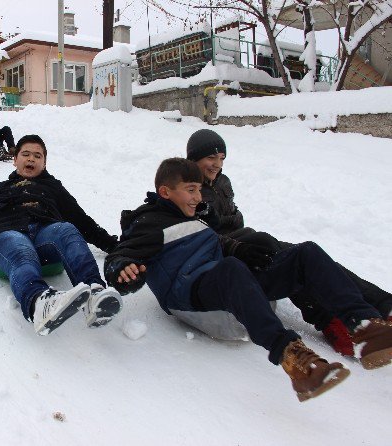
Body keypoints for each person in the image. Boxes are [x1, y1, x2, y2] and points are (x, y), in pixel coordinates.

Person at [104, 157, 392, 402]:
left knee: (304, 254)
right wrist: (123, 268)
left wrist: (243, 249)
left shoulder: (191, 218)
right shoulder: (148, 223)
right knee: (231, 268)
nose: (198, 197)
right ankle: (294, 359)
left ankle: (364, 326)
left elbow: (215, 243)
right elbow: (120, 255)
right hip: (189, 293)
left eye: (200, 190)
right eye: (190, 190)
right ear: (165, 192)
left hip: (223, 281)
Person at [186, 128, 392, 356]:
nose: (217, 164)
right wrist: (235, 240)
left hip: (246, 239)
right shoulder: (187, 188)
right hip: (227, 254)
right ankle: (329, 321)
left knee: (308, 256)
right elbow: (198, 233)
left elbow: (236, 219)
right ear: (194, 159)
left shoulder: (222, 182)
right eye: (210, 158)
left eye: (221, 158)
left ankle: (384, 305)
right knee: (281, 254)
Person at [0, 135, 121, 335]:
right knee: (20, 249)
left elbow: (82, 220)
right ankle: (39, 303)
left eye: (37, 156)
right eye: (25, 154)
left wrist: (114, 246)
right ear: (15, 159)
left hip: (46, 232)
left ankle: (95, 292)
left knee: (67, 229)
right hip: (8, 231)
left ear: (44, 163)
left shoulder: (53, 187)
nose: (31, 159)